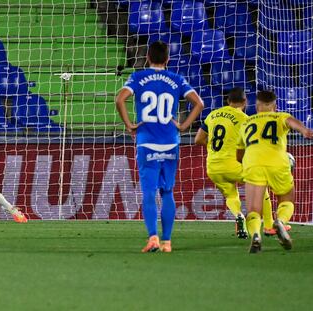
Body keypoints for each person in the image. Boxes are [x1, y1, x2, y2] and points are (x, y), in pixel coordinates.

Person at [116, 41, 204, 252]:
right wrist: (183, 126)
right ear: (167, 60)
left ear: (147, 58)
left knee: (148, 192)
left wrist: (129, 125)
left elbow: (120, 100)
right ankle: (167, 242)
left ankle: (153, 237)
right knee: (167, 192)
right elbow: (199, 103)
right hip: (170, 143)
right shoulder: (177, 79)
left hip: (147, 142)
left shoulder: (138, 77)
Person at [195, 87, 278, 239]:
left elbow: (198, 139)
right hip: (234, 164)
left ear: (228, 101)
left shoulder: (212, 115)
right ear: (245, 102)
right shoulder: (246, 119)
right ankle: (268, 226)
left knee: (231, 195)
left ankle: (238, 215)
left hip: (213, 167)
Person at [237, 90, 313, 253]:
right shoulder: (280, 116)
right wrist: (305, 131)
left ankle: (256, 235)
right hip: (277, 162)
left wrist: (247, 165)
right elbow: (293, 123)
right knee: (287, 197)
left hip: (253, 163)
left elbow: (239, 153)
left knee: (253, 209)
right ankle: (280, 221)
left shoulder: (246, 123)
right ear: (275, 106)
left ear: (256, 106)